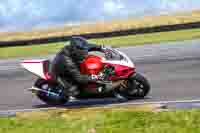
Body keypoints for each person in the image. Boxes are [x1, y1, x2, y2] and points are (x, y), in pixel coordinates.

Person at [50, 36, 105, 101]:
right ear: (76, 50)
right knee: (75, 92)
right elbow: (79, 78)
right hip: (60, 74)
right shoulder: (68, 62)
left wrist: (101, 47)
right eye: (83, 50)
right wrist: (94, 77)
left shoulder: (76, 48)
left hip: (70, 66)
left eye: (84, 50)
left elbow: (88, 46)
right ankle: (70, 95)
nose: (85, 52)